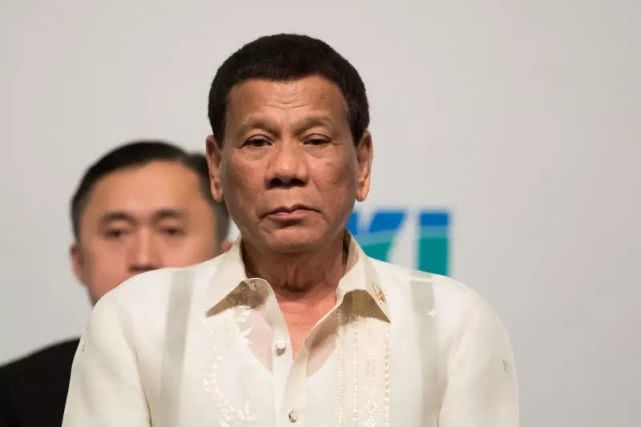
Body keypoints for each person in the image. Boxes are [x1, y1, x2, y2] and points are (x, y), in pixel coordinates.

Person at [63, 35, 519, 426]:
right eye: (258, 142)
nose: (286, 169)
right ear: (216, 167)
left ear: (362, 163)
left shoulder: (452, 324)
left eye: (315, 140)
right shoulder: (135, 321)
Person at [0, 141, 230, 427]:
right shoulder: (15, 395)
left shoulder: (266, 375)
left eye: (171, 230)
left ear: (224, 257)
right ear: (79, 261)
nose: (143, 258)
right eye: (117, 233)